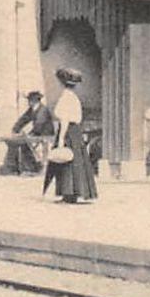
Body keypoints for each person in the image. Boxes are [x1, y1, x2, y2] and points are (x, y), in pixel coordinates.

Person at [44, 67, 97, 203]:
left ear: (62, 83)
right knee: (75, 161)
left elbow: (65, 119)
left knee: (65, 161)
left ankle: (68, 193)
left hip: (67, 131)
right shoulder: (74, 98)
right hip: (75, 132)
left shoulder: (65, 98)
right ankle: (74, 192)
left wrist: (61, 138)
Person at [5, 90, 55, 175]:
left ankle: (33, 167)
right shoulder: (32, 109)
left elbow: (39, 125)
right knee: (21, 141)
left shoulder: (42, 110)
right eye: (29, 100)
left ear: (35, 101)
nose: (29, 102)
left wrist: (29, 134)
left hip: (45, 134)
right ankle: (28, 167)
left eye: (30, 100)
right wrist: (15, 129)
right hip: (37, 134)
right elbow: (24, 119)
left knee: (25, 141)